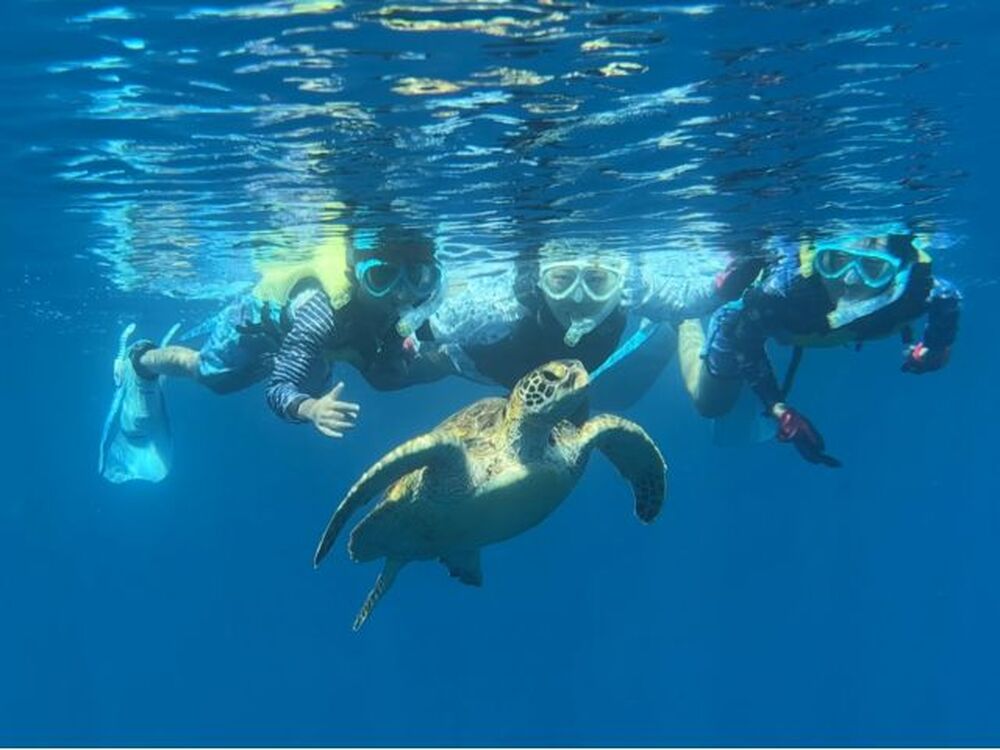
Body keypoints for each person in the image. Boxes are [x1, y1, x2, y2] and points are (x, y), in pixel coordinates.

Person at [99, 225, 443, 483]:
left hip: (329, 340)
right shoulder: (319, 314)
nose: (402, 294)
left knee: (388, 374)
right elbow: (279, 388)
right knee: (211, 375)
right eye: (382, 277)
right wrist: (310, 409)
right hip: (255, 329)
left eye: (419, 277)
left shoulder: (412, 301)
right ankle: (140, 361)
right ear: (356, 274)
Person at [679, 227, 961, 467]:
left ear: (897, 273)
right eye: (835, 262)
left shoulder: (914, 293)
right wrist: (777, 406)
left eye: (873, 268)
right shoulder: (779, 293)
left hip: (801, 330)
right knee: (711, 404)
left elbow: (946, 297)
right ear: (816, 259)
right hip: (746, 327)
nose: (849, 280)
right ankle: (683, 319)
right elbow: (744, 340)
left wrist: (936, 346)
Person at [389, 238, 760, 410]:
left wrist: (723, 288)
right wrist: (409, 342)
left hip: (563, 387)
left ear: (618, 279)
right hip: (467, 363)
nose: (579, 297)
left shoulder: (631, 288)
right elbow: (429, 328)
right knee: (395, 375)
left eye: (597, 281)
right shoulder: (501, 307)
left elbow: (686, 300)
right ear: (541, 280)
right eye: (562, 280)